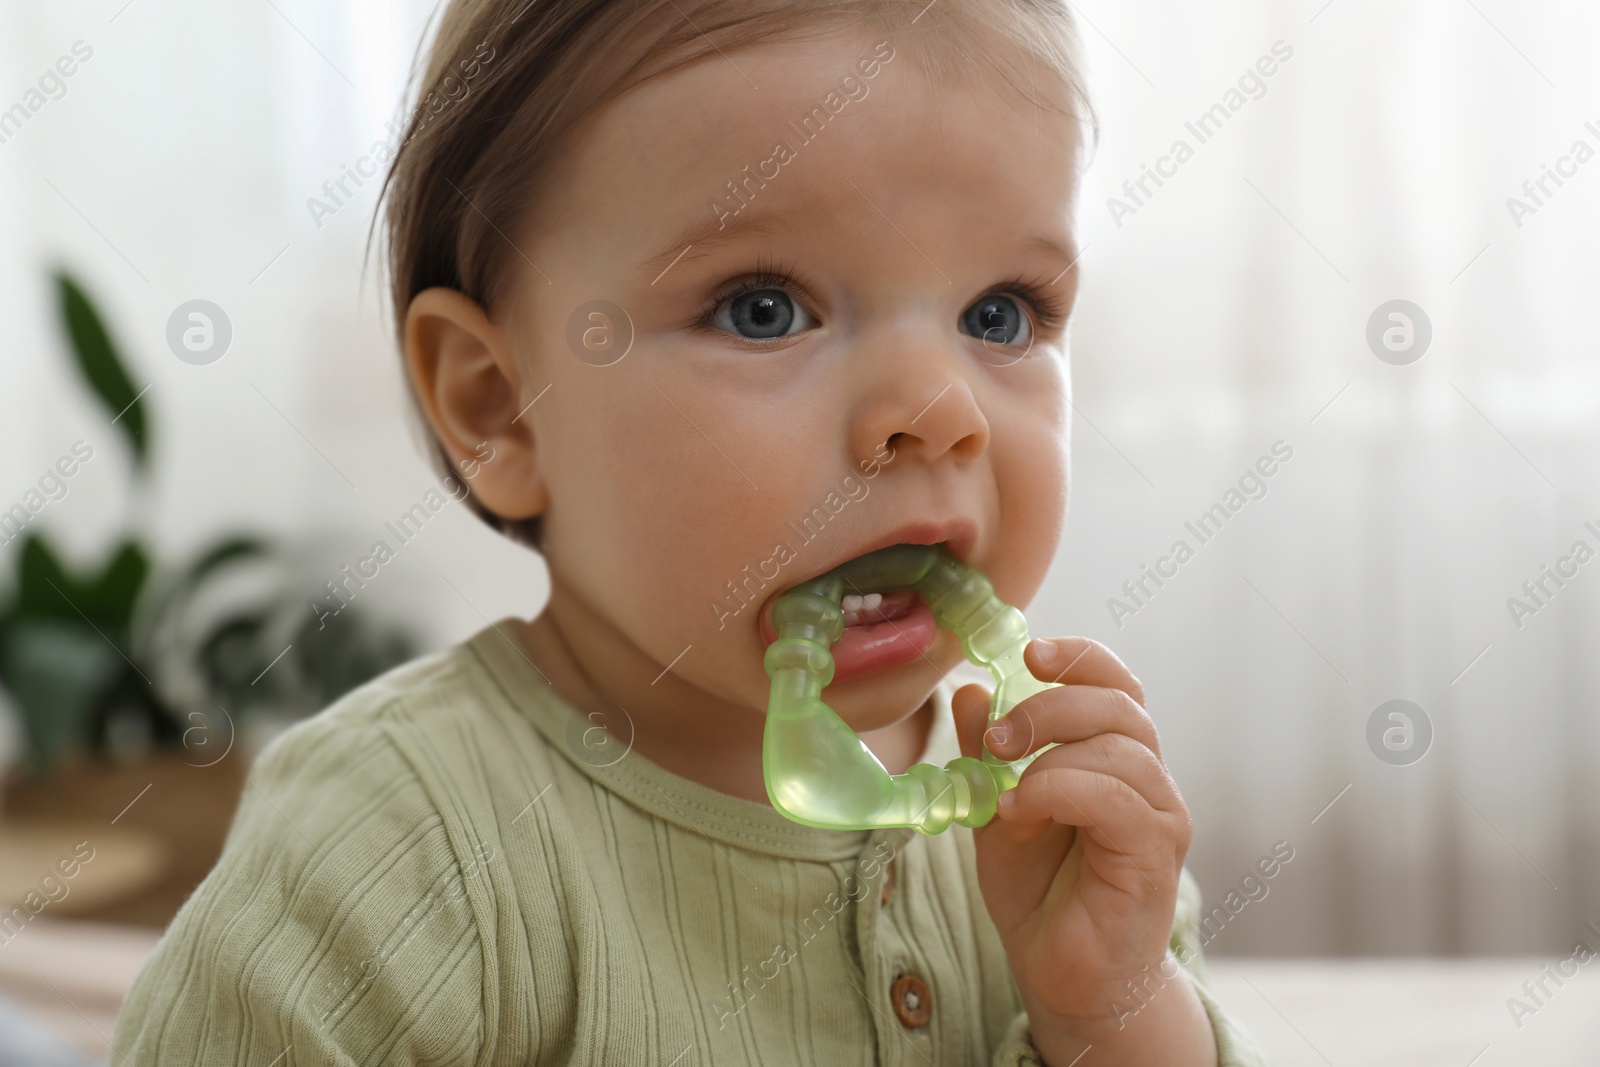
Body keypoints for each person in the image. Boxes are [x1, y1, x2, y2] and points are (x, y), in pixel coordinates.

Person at [113, 1, 1271, 1062]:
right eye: (761, 309)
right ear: (499, 404)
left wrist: (1110, 1009)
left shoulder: (1045, 795)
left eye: (1000, 314)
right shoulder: (391, 848)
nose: (939, 410)